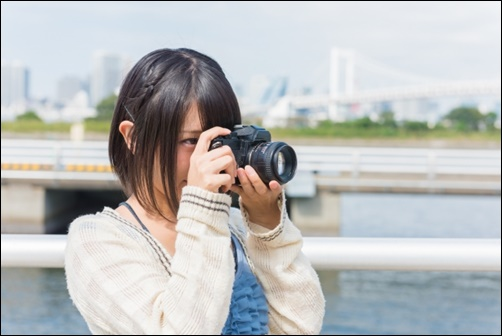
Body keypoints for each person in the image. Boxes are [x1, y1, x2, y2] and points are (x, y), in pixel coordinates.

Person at [64, 47, 326, 335]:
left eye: (219, 140)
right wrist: (202, 207)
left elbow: (301, 329)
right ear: (133, 138)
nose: (210, 158)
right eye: (191, 141)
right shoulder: (96, 242)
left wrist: (268, 227)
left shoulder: (236, 228)